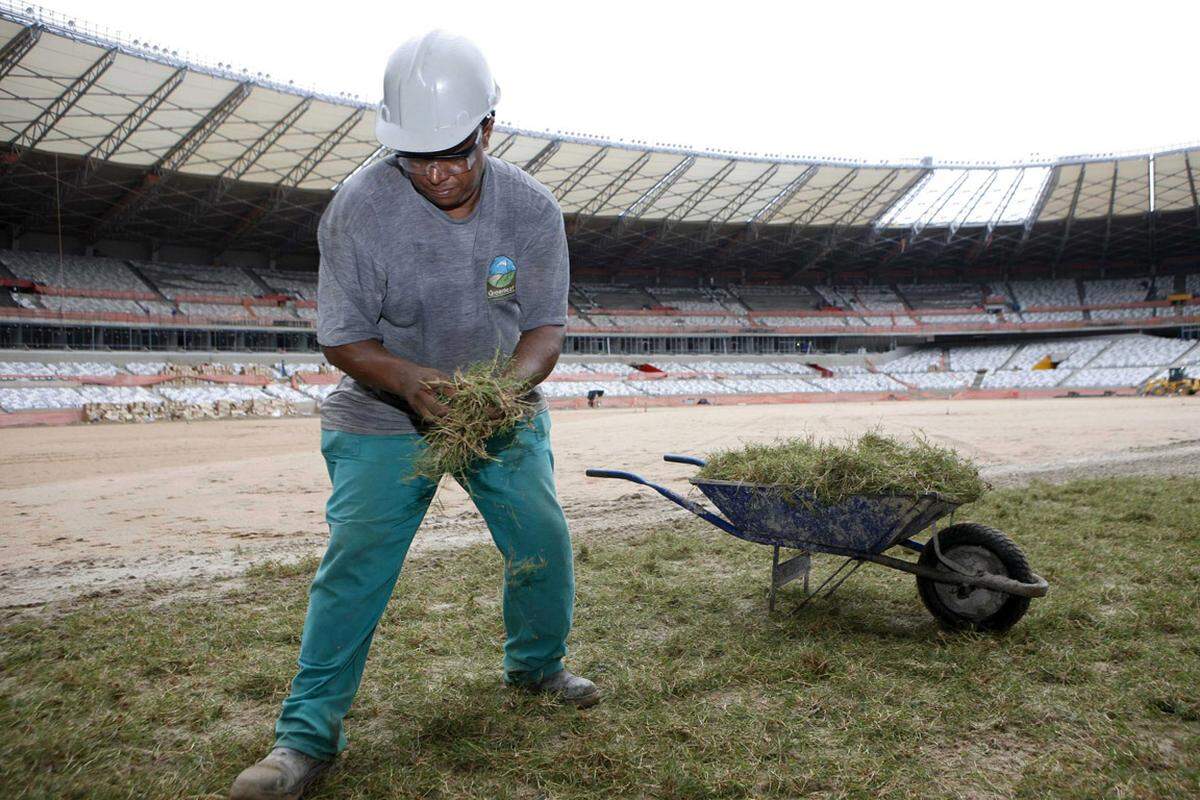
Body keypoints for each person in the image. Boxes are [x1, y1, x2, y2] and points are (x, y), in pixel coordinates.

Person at [230, 30, 596, 800]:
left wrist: (502, 392)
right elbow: (341, 336)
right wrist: (409, 382)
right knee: (354, 570)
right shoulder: (359, 211)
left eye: (455, 153)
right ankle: (304, 741)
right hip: (381, 415)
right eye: (417, 156)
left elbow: (545, 329)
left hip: (497, 412)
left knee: (543, 543)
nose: (437, 172)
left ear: (488, 128)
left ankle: (535, 667)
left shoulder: (531, 209)